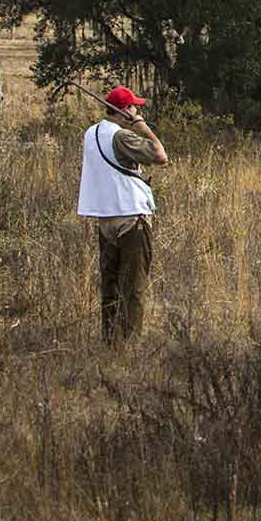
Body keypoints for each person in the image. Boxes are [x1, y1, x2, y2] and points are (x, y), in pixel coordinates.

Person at [75, 85, 169, 343]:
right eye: (134, 107)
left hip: (105, 219)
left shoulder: (91, 133)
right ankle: (130, 346)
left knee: (110, 286)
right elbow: (161, 156)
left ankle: (110, 341)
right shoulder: (122, 137)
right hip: (131, 217)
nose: (137, 110)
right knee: (134, 287)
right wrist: (142, 126)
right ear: (125, 111)